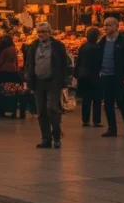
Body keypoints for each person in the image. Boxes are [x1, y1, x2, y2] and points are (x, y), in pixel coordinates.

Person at [24, 21, 69, 149]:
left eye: (44, 32)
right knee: (41, 111)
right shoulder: (33, 46)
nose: (41, 34)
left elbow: (63, 64)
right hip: (38, 82)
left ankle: (56, 135)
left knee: (52, 109)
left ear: (50, 32)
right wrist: (28, 79)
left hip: (53, 82)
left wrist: (63, 81)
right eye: (39, 32)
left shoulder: (58, 46)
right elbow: (29, 64)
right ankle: (46, 138)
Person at [96, 16, 124, 137]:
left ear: (116, 27)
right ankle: (112, 128)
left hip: (119, 77)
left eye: (108, 25)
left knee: (121, 102)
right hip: (106, 76)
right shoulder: (103, 41)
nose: (106, 27)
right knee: (108, 103)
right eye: (105, 25)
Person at [73, 26, 103, 128]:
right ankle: (96, 121)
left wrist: (76, 74)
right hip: (96, 75)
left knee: (86, 99)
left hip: (84, 75)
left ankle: (85, 120)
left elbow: (79, 62)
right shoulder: (99, 48)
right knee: (97, 99)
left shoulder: (83, 47)